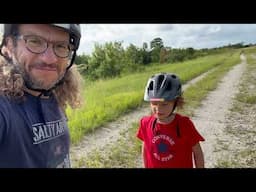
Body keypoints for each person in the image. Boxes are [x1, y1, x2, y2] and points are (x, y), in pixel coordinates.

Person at [0, 24, 83, 168]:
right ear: (9, 46)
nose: (50, 59)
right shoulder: (4, 108)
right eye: (35, 41)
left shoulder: (54, 93)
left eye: (61, 46)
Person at [136, 72, 205, 168]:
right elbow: (145, 147)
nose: (158, 109)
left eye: (164, 104)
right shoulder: (145, 123)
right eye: (154, 103)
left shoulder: (184, 124)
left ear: (176, 102)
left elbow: (197, 153)